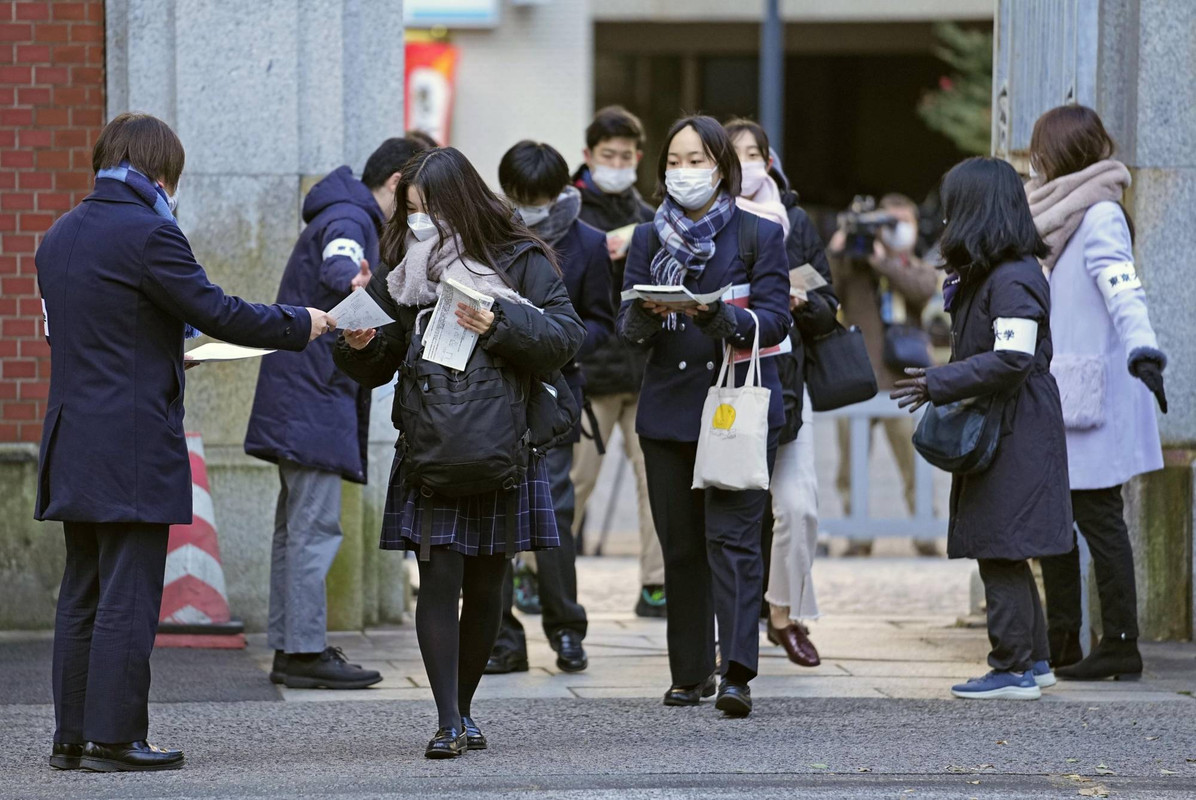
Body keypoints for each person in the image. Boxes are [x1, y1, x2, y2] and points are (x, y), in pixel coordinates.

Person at [36, 112, 334, 771]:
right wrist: (302, 323)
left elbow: (87, 339)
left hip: (72, 439)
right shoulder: (149, 232)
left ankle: (71, 736)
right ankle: (116, 738)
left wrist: (170, 356)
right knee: (129, 592)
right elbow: (218, 311)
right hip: (133, 443)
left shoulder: (57, 237)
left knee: (81, 588)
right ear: (162, 173)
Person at [333, 147, 585, 758]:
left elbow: (566, 337)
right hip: (432, 443)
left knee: (489, 583)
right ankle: (447, 718)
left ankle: (466, 706)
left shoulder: (521, 259)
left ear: (461, 207)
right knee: (439, 576)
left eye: (429, 213)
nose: (419, 226)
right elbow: (377, 358)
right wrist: (359, 342)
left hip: (504, 443)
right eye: (411, 212)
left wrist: (496, 323)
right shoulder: (404, 266)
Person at [619, 115, 790, 716]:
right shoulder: (647, 238)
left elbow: (775, 319)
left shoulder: (757, 235)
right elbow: (628, 329)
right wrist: (646, 311)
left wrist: (720, 318)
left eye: (697, 160)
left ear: (722, 167)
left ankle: (737, 671)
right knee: (682, 548)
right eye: (674, 160)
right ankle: (689, 673)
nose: (683, 172)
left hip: (734, 409)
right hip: (667, 413)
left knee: (735, 540)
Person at [244, 136, 428, 690]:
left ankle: (292, 643)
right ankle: (302, 651)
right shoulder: (350, 219)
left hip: (303, 395)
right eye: (418, 198)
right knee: (313, 527)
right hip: (312, 398)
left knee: (295, 527)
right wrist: (361, 286)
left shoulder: (340, 210)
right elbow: (339, 270)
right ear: (397, 183)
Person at [891, 156, 1072, 700]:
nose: (944, 222)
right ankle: (1035, 662)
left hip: (1016, 428)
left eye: (952, 210)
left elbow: (1012, 359)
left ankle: (1011, 667)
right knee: (1005, 543)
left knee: (1001, 544)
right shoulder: (996, 273)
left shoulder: (1014, 276)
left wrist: (938, 382)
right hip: (1009, 425)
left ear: (976, 212)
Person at [1026, 105, 1167, 680]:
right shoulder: (1054, 213)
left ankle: (1121, 642)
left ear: (1060, 152)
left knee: (1099, 519)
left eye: (1039, 150)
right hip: (1060, 389)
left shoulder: (1100, 214)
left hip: (1094, 393)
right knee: (1057, 522)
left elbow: (1122, 287)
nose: (1033, 161)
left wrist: (1144, 349)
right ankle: (1063, 639)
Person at [486, 140, 615, 675]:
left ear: (559, 192)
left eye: (537, 197)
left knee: (556, 512)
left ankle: (566, 630)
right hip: (492, 395)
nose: (529, 207)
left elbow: (603, 324)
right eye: (519, 196)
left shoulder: (588, 243)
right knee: (492, 514)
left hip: (557, 394)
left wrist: (552, 342)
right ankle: (501, 638)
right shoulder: (488, 236)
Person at [725, 118, 839, 668]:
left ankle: (782, 613)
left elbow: (829, 305)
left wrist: (800, 303)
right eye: (736, 152)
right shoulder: (706, 223)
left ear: (770, 160)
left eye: (756, 152)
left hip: (788, 382)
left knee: (797, 506)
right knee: (732, 510)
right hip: (724, 384)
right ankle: (729, 623)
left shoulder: (795, 222)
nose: (747, 162)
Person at [569, 106, 667, 617]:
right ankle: (535, 572)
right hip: (590, 374)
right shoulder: (569, 213)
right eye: (608, 155)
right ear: (588, 156)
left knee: (656, 484)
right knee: (575, 482)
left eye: (626, 156)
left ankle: (656, 584)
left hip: (646, 369)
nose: (617, 163)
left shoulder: (652, 218)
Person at [828, 193, 939, 557]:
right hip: (858, 378)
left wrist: (886, 262)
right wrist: (840, 248)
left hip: (903, 382)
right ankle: (858, 537)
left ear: (915, 227)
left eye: (900, 223)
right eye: (885, 223)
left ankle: (925, 532)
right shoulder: (856, 268)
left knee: (915, 461)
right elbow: (828, 292)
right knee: (851, 465)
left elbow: (922, 292)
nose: (892, 231)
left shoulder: (914, 265)